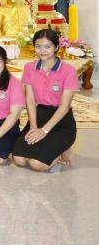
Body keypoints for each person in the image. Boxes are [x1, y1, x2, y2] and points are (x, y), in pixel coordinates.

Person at [12, 29, 79, 172]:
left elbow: (65, 106)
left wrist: (44, 131)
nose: (42, 51)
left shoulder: (69, 71)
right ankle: (52, 147)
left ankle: (63, 150)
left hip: (61, 121)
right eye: (38, 46)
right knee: (19, 160)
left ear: (56, 47)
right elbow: (30, 99)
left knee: (37, 164)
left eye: (47, 47)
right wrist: (33, 127)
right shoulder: (29, 68)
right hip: (39, 116)